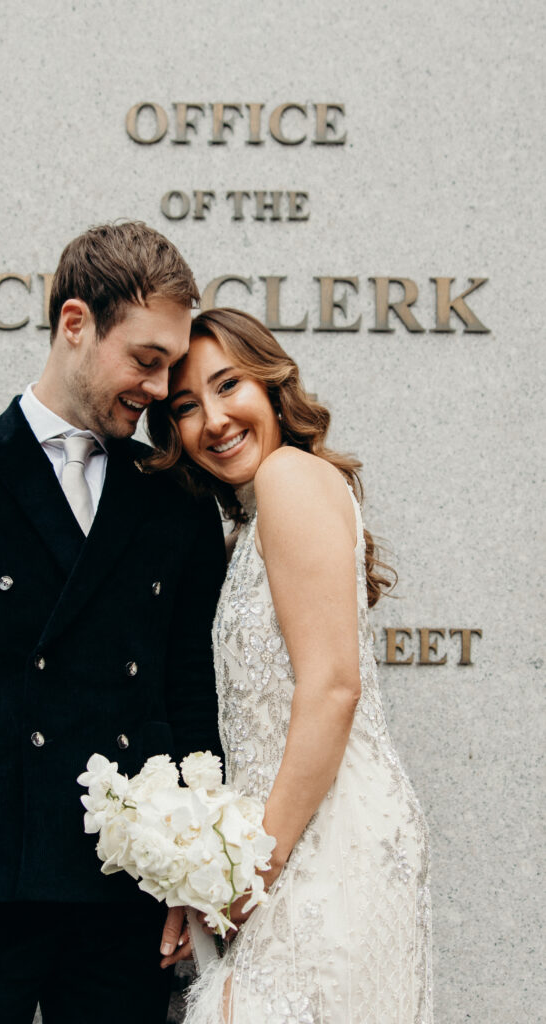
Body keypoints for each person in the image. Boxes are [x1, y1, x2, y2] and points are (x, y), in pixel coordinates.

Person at [0, 222, 226, 1023]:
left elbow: (190, 696)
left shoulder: (178, 502)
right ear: (74, 324)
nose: (161, 390)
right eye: (146, 360)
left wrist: (195, 875)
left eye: (169, 365)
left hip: (127, 898)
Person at [148, 308, 433, 1024]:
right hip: (286, 840)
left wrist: (249, 877)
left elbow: (332, 689)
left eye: (227, 385)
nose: (212, 420)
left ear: (272, 388)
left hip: (327, 842)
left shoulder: (288, 478)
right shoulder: (245, 523)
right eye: (185, 407)